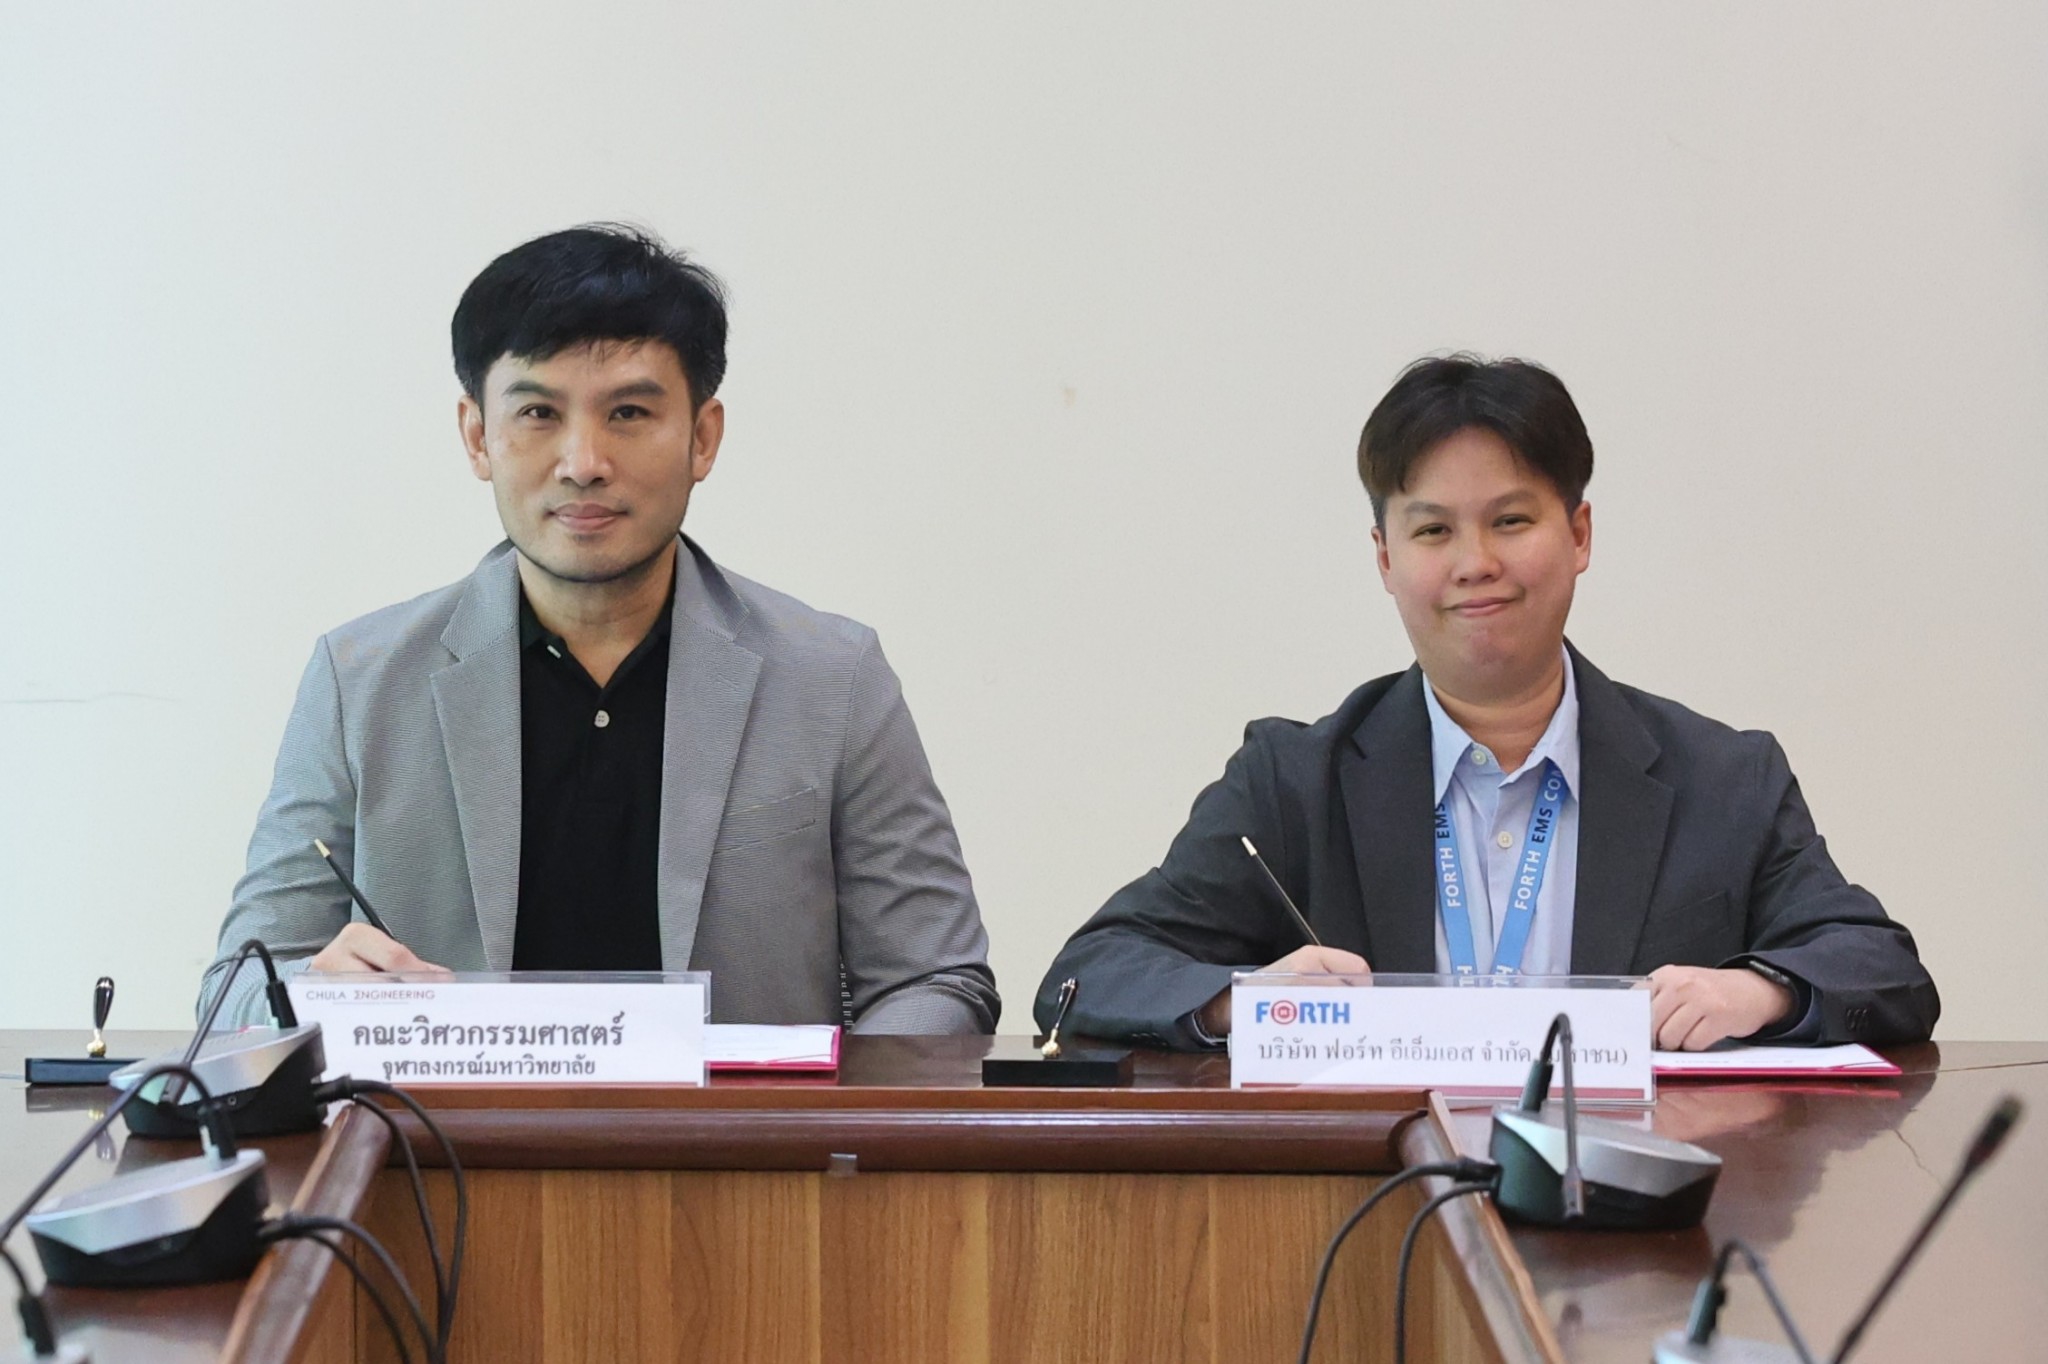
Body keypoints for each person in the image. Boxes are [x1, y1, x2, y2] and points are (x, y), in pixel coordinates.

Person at [202, 224, 999, 1033]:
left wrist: (830, 1102)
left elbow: (938, 977)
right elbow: (232, 993)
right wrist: (312, 994)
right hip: (435, 1121)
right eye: (538, 412)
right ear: (478, 437)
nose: (583, 461)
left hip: (746, 1122)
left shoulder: (833, 677)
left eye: (628, 412)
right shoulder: (360, 679)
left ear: (703, 438)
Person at [1036, 355, 1936, 1051]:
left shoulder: (1723, 779)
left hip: (1635, 1211)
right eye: (1433, 530)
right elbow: (1089, 974)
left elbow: (1885, 971)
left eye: (1510, 521)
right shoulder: (1294, 782)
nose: (1476, 564)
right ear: (1386, 560)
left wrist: (1760, 991)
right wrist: (1245, 1002)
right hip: (1370, 1201)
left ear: (1578, 534)